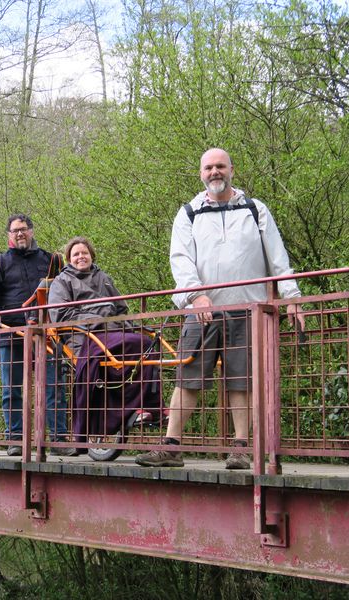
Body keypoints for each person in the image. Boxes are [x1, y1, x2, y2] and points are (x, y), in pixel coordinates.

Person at [136, 148, 305, 469]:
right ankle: (171, 448)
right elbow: (181, 259)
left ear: (231, 170)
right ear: (201, 173)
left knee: (242, 381)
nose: (215, 172)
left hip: (247, 309)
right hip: (202, 310)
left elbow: (279, 258)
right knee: (188, 378)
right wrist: (195, 295)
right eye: (209, 167)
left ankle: (241, 449)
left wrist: (292, 297)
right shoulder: (188, 213)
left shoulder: (255, 209)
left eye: (221, 166)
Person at [48, 237, 161, 452]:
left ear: (91, 255)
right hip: (84, 335)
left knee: (146, 343)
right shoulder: (62, 282)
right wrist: (100, 314)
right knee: (122, 348)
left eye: (84, 253)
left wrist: (126, 323)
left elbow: (121, 309)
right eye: (76, 254)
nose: (81, 257)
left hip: (114, 331)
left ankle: (144, 407)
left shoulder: (104, 278)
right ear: (69, 260)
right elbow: (60, 315)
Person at [0, 214, 73, 457]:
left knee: (54, 387)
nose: (20, 234)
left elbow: (68, 289)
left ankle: (59, 438)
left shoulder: (52, 260)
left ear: (32, 231)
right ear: (9, 235)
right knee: (12, 389)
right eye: (15, 230)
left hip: (47, 334)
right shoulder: (0, 262)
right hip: (12, 333)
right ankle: (15, 439)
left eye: (24, 229)